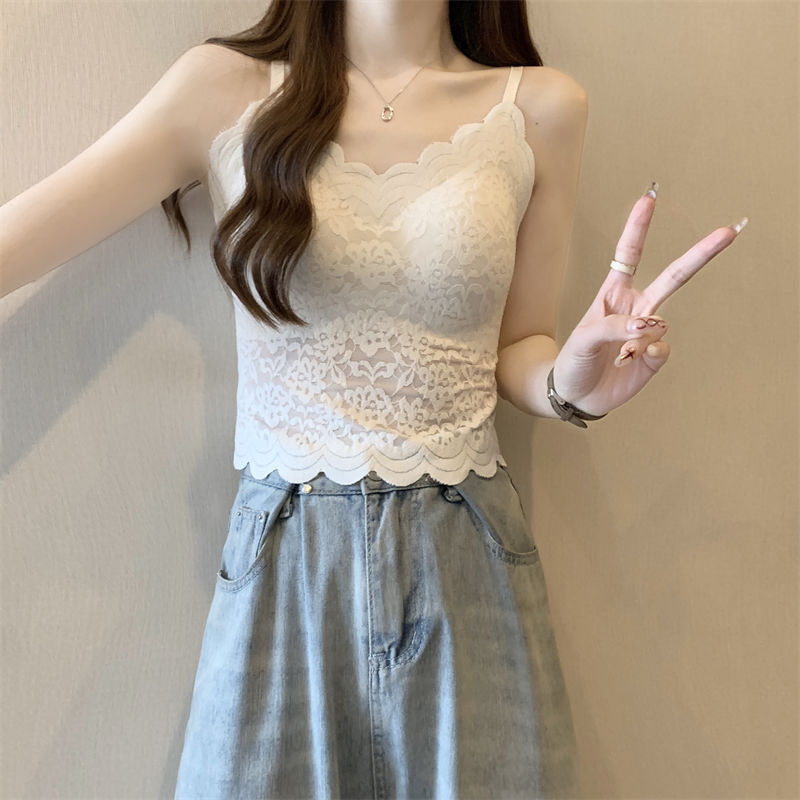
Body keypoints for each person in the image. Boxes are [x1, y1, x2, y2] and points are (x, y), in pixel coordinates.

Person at [0, 0, 747, 797]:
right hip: (283, 562)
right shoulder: (224, 90)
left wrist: (572, 386)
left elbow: (521, 343)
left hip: (467, 555)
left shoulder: (541, 107)